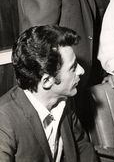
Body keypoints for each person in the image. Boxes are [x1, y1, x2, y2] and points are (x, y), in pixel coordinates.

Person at [0, 25, 98, 161]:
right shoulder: (4, 119)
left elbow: (83, 149)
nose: (81, 71)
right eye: (73, 67)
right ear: (47, 81)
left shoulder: (64, 100)